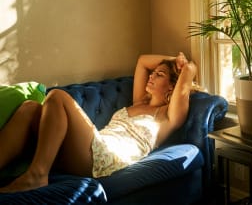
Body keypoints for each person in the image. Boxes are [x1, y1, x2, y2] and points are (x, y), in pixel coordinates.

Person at [0, 52, 197, 193]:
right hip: (90, 149)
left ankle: (37, 175)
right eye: (154, 73)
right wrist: (172, 60)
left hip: (106, 158)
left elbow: (189, 69)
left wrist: (184, 65)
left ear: (173, 86)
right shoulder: (139, 102)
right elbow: (143, 61)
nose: (152, 75)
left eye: (159, 74)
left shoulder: (167, 117)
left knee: (57, 96)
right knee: (30, 108)